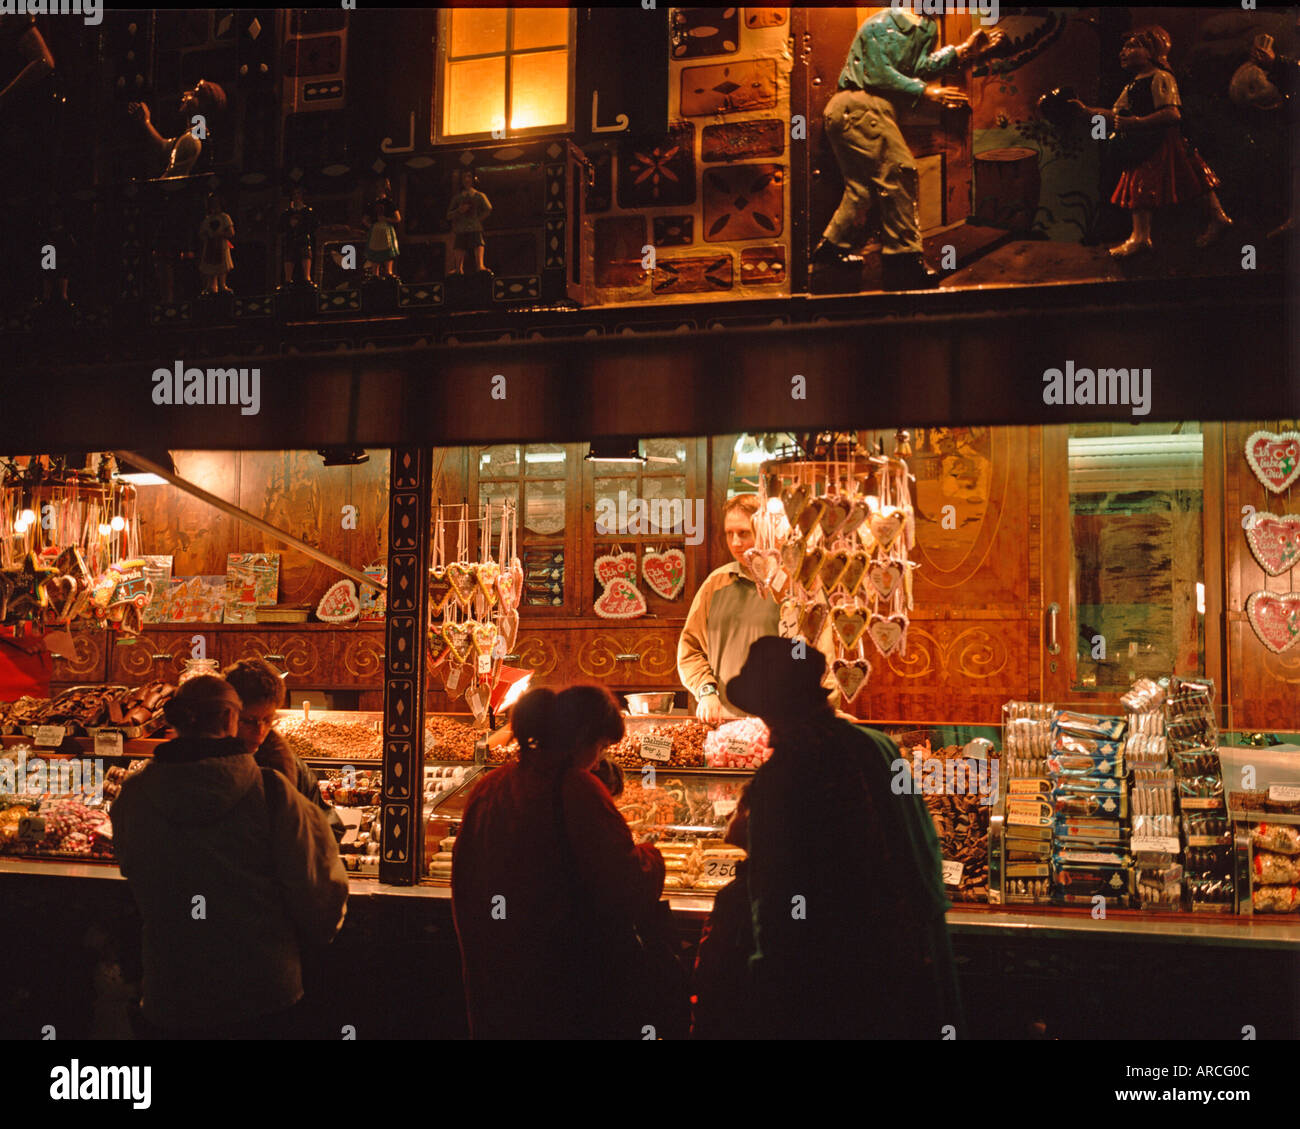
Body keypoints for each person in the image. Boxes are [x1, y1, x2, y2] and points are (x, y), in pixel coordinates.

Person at [726, 636, 960, 1039]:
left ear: (771, 708)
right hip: (908, 953)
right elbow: (924, 847)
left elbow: (777, 895)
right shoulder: (879, 746)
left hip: (831, 976)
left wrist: (769, 972)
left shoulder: (785, 773)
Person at [109, 676, 348, 1039]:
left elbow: (130, 868)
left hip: (172, 990)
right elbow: (320, 893)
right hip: (264, 993)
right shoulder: (271, 792)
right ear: (227, 719)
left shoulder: (134, 795)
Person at [452, 684, 667, 1039]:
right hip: (562, 983)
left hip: (494, 979)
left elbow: (466, 883)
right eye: (599, 746)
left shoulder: (488, 786)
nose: (598, 760)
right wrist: (651, 854)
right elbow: (625, 882)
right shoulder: (576, 787)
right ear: (580, 737)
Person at [814, 8, 1005, 289]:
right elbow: (878, 74)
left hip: (868, 110)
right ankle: (902, 260)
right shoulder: (882, 23)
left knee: (861, 189)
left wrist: (963, 52)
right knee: (899, 172)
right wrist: (926, 92)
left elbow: (918, 67)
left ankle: (830, 250)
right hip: (860, 104)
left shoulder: (926, 28)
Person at [1071, 26, 1232, 257]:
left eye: (1132, 46)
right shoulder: (1134, 84)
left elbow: (1172, 114)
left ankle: (1141, 237)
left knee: (1150, 182)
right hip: (1148, 142)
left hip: (1162, 143)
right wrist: (1086, 111)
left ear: (1152, 52)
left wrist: (1136, 122)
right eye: (1123, 47)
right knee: (1189, 178)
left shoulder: (1161, 78)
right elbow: (1116, 114)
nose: (1123, 52)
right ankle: (1215, 218)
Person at [677, 493, 838, 722]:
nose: (735, 543)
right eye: (729, 534)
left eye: (743, 533)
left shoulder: (799, 588)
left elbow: (821, 658)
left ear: (765, 532)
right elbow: (690, 648)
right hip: (724, 727)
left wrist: (823, 713)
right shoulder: (716, 584)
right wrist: (706, 690)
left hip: (781, 728)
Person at [222, 657, 344, 842]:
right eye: (249, 721)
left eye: (268, 720)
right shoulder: (212, 766)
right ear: (227, 715)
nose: (260, 731)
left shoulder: (292, 766)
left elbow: (331, 829)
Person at [689, 785, 757, 1040]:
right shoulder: (754, 885)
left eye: (739, 809)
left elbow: (713, 980)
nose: (728, 816)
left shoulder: (738, 897)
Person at [446, 168, 492, 275]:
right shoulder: (458, 198)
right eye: (464, 177)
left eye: (469, 177)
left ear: (473, 179)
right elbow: (449, 215)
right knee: (459, 246)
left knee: (478, 243)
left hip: (474, 226)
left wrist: (478, 219)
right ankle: (458, 268)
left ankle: (480, 265)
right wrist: (459, 211)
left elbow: (488, 209)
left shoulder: (479, 196)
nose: (467, 179)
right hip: (461, 227)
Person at [279, 186, 318, 283]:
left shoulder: (308, 211)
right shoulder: (287, 213)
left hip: (303, 237)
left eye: (298, 194)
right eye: (294, 194)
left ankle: (307, 277)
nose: (296, 196)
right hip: (290, 238)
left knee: (306, 253)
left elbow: (313, 225)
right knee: (289, 255)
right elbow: (281, 226)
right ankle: (288, 279)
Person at [364, 177, 401, 278]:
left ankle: (388, 273)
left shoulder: (389, 203)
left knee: (388, 252)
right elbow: (365, 219)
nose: (379, 189)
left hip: (386, 231)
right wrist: (372, 226)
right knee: (375, 253)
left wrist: (386, 219)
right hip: (376, 231)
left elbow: (398, 218)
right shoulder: (372, 204)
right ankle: (375, 275)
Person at [197, 193, 234, 294]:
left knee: (222, 266)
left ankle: (222, 285)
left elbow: (231, 232)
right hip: (210, 247)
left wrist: (220, 234)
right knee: (210, 267)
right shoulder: (207, 220)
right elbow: (201, 233)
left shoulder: (224, 217)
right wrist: (207, 237)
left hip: (221, 246)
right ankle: (211, 286)